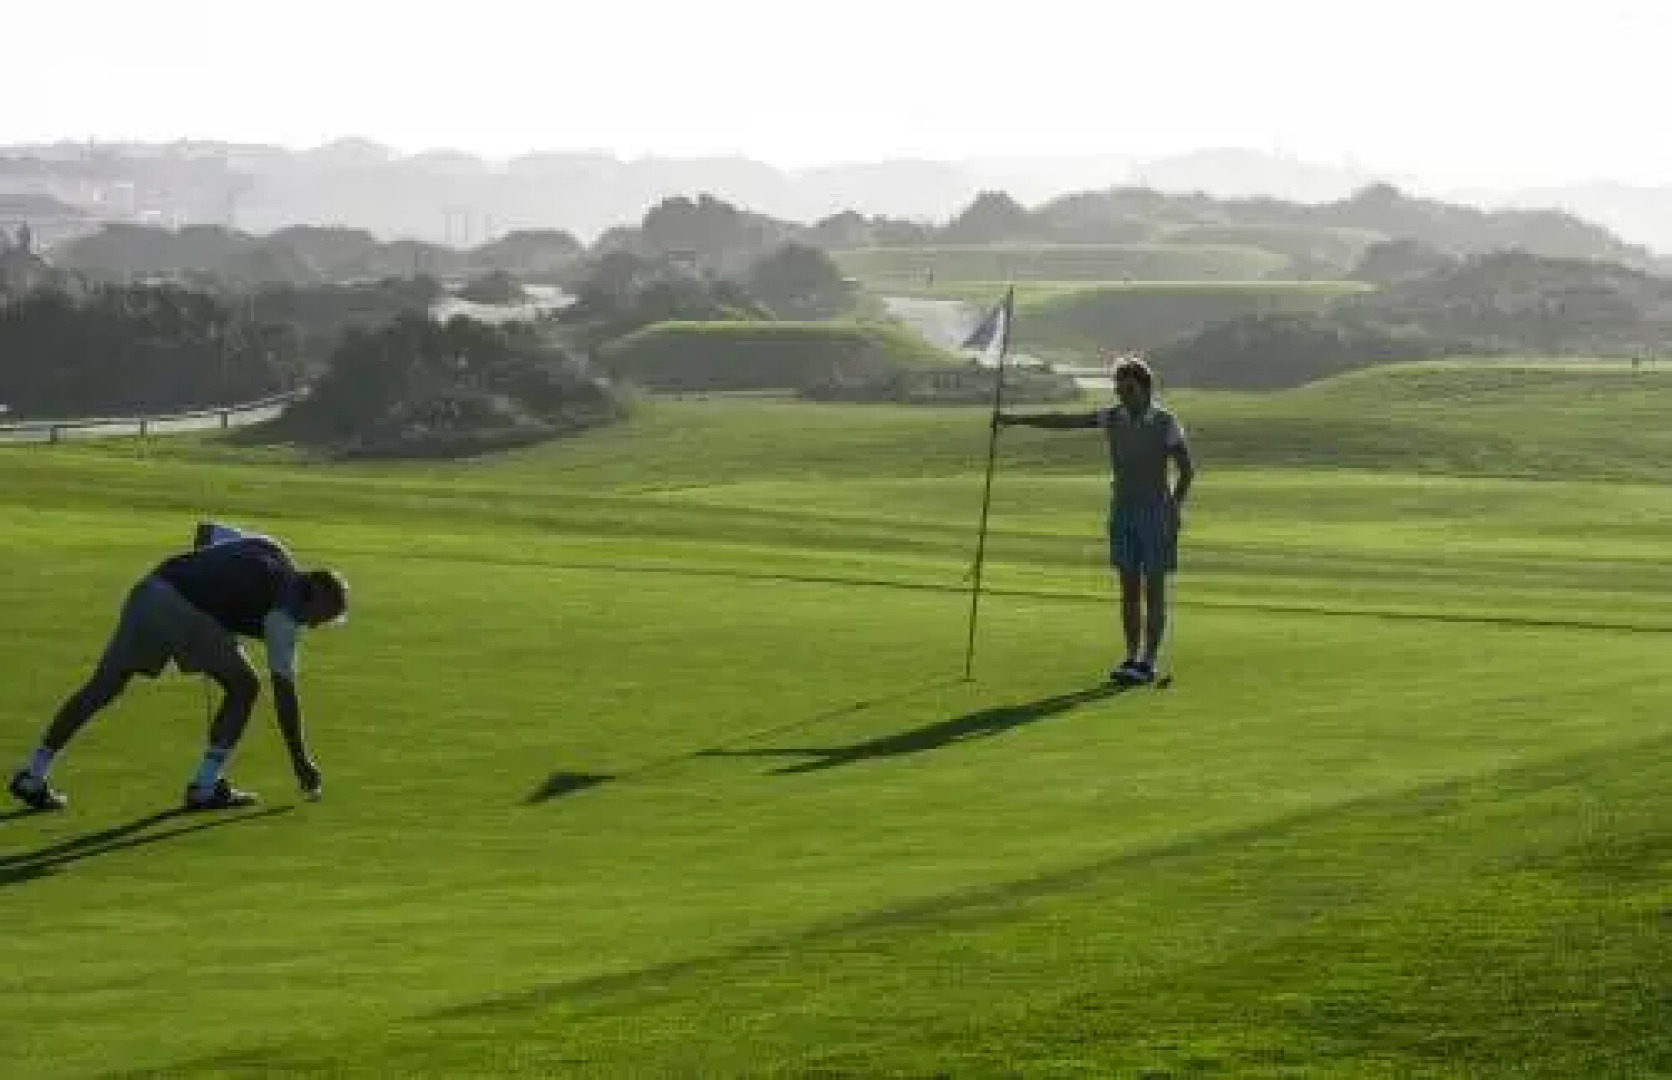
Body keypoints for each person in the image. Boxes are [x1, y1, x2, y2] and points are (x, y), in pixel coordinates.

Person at [8, 521, 348, 812]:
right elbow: (284, 695)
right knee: (245, 687)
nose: (317, 625)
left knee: (102, 688)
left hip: (150, 591)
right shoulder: (284, 619)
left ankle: (33, 775)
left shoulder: (270, 547)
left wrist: (221, 593)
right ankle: (203, 787)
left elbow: (205, 533)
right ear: (315, 593)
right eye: (324, 615)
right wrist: (300, 762)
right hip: (188, 613)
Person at [995, 355, 1194, 685]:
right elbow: (1065, 421)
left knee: (1153, 590)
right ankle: (1131, 658)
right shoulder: (1112, 418)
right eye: (1118, 389)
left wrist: (1174, 508)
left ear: (1145, 389)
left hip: (1156, 512)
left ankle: (1148, 661)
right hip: (1122, 510)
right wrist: (1015, 420)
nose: (1122, 395)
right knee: (1128, 588)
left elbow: (1186, 471)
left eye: (1128, 389)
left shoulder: (1165, 422)